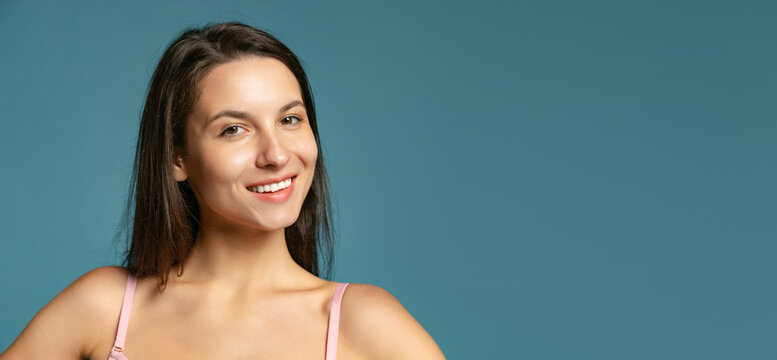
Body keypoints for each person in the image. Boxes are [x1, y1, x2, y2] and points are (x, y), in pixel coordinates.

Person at [1, 22, 446, 360]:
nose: (276, 154)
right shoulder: (106, 308)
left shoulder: (361, 321)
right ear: (177, 158)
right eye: (234, 129)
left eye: (290, 119)